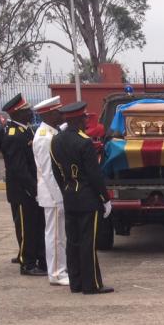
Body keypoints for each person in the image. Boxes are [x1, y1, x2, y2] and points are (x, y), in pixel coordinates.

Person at [50, 101, 114, 295]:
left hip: (69, 195)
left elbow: (56, 172)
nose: (86, 120)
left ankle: (76, 282)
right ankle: (91, 284)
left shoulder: (56, 140)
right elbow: (94, 175)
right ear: (78, 119)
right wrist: (105, 198)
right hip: (87, 199)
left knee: (73, 241)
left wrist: (66, 190)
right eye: (84, 117)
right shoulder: (84, 142)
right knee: (88, 242)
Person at [0, 93, 47, 276]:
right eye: (27, 110)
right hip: (22, 192)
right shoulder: (14, 135)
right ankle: (27, 264)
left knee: (34, 226)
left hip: (29, 189)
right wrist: (34, 189)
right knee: (26, 227)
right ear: (17, 113)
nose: (31, 113)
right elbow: (18, 168)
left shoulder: (25, 130)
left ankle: (34, 256)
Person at [31, 95, 70, 287]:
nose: (61, 115)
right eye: (57, 112)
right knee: (55, 236)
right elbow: (49, 172)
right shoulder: (45, 138)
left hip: (55, 194)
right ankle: (56, 273)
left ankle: (61, 268)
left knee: (60, 236)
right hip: (53, 195)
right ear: (48, 114)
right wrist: (60, 198)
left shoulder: (51, 132)